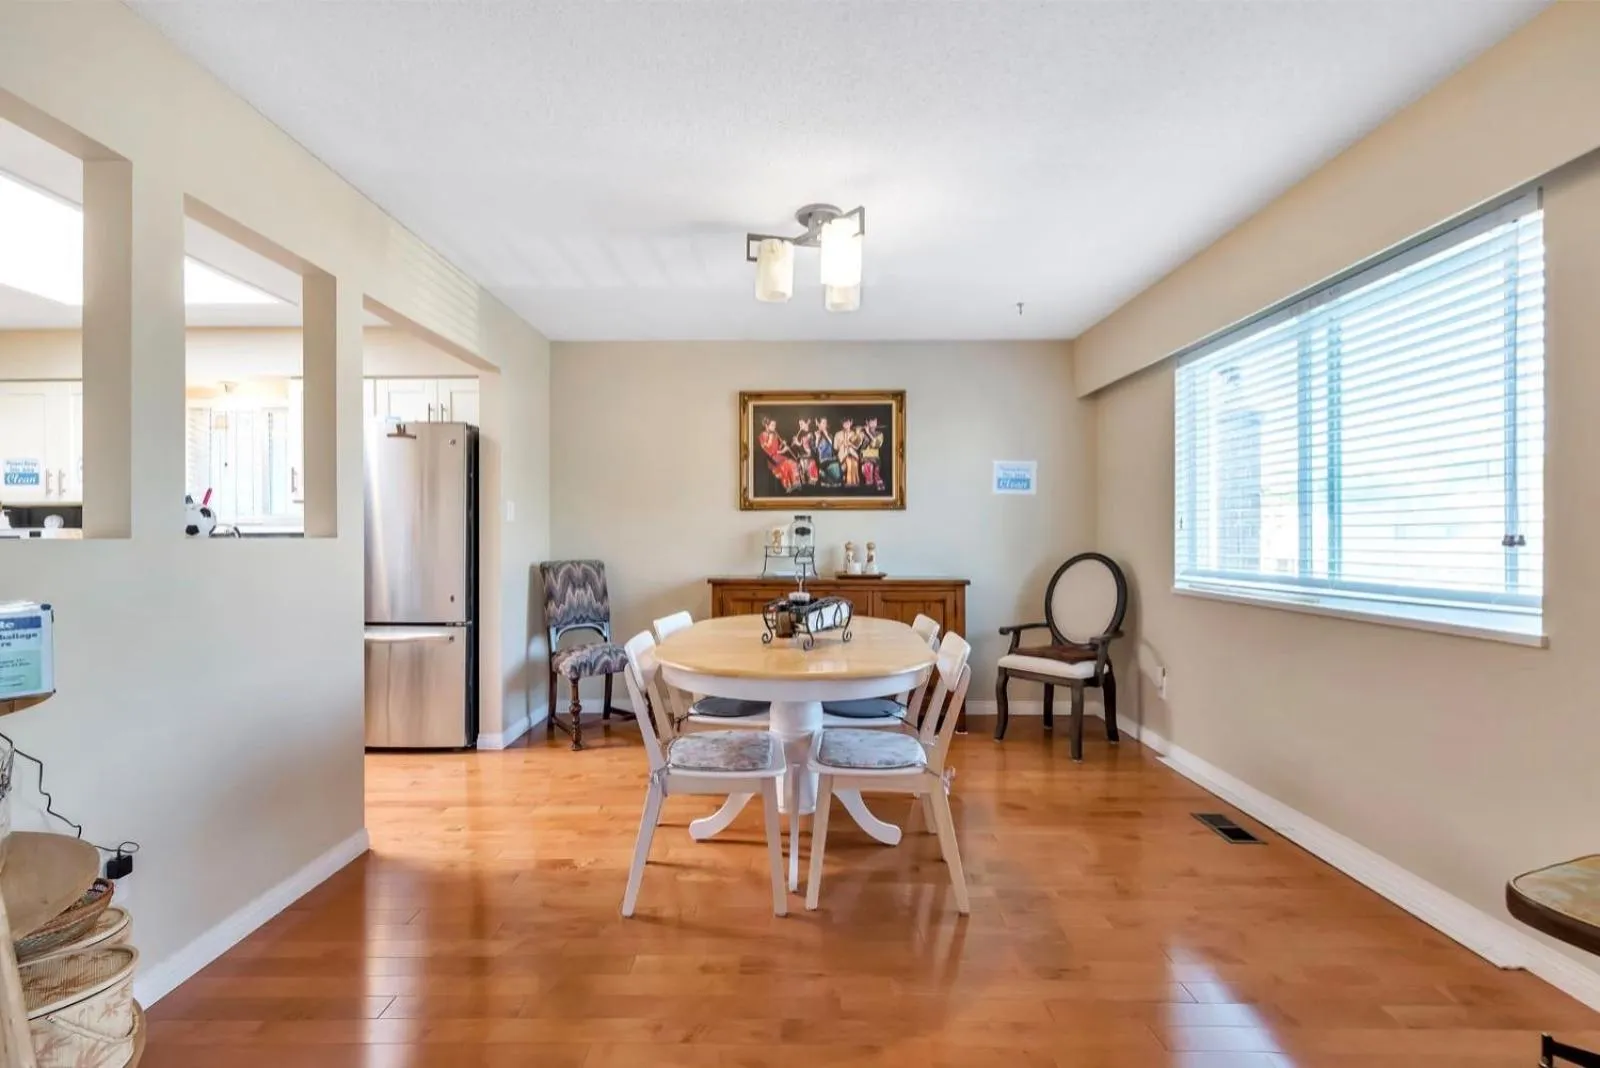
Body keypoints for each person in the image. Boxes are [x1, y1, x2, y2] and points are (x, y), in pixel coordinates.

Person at [757, 416, 800, 492]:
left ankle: (795, 483)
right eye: (772, 425)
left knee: (793, 463)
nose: (774, 427)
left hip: (778, 456)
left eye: (775, 425)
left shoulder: (775, 435)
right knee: (786, 464)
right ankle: (788, 486)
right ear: (767, 426)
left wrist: (782, 445)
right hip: (771, 459)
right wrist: (782, 450)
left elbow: (777, 449)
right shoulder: (763, 435)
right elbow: (767, 450)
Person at [790, 419, 818, 486]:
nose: (800, 426)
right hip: (803, 456)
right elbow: (798, 446)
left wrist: (797, 443)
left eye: (802, 424)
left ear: (807, 423)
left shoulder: (811, 434)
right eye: (799, 424)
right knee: (799, 464)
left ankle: (811, 482)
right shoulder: (801, 434)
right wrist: (795, 442)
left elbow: (810, 448)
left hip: (810, 455)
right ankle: (802, 483)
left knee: (807, 463)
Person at [814, 417, 841, 486]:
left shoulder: (830, 435)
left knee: (836, 464)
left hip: (830, 458)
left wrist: (826, 435)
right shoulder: (815, 435)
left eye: (825, 423)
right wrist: (817, 438)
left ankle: (834, 483)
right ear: (818, 424)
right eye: (823, 423)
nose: (825, 425)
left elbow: (834, 446)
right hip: (821, 459)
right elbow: (815, 449)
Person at [836, 418, 862, 487]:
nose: (846, 424)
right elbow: (835, 447)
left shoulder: (854, 433)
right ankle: (849, 482)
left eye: (848, 422)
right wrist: (841, 443)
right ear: (842, 424)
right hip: (842, 455)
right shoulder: (838, 434)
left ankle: (854, 482)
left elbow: (857, 447)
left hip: (853, 454)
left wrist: (851, 444)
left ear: (851, 422)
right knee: (849, 462)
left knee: (854, 463)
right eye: (844, 423)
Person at [862, 417, 885, 490]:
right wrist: (859, 432)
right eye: (871, 422)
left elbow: (877, 445)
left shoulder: (879, 434)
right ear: (867, 422)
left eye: (875, 422)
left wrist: (868, 433)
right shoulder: (862, 433)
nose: (873, 424)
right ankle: (870, 485)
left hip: (875, 457)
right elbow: (858, 445)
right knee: (868, 466)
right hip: (865, 457)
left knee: (876, 472)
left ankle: (878, 483)